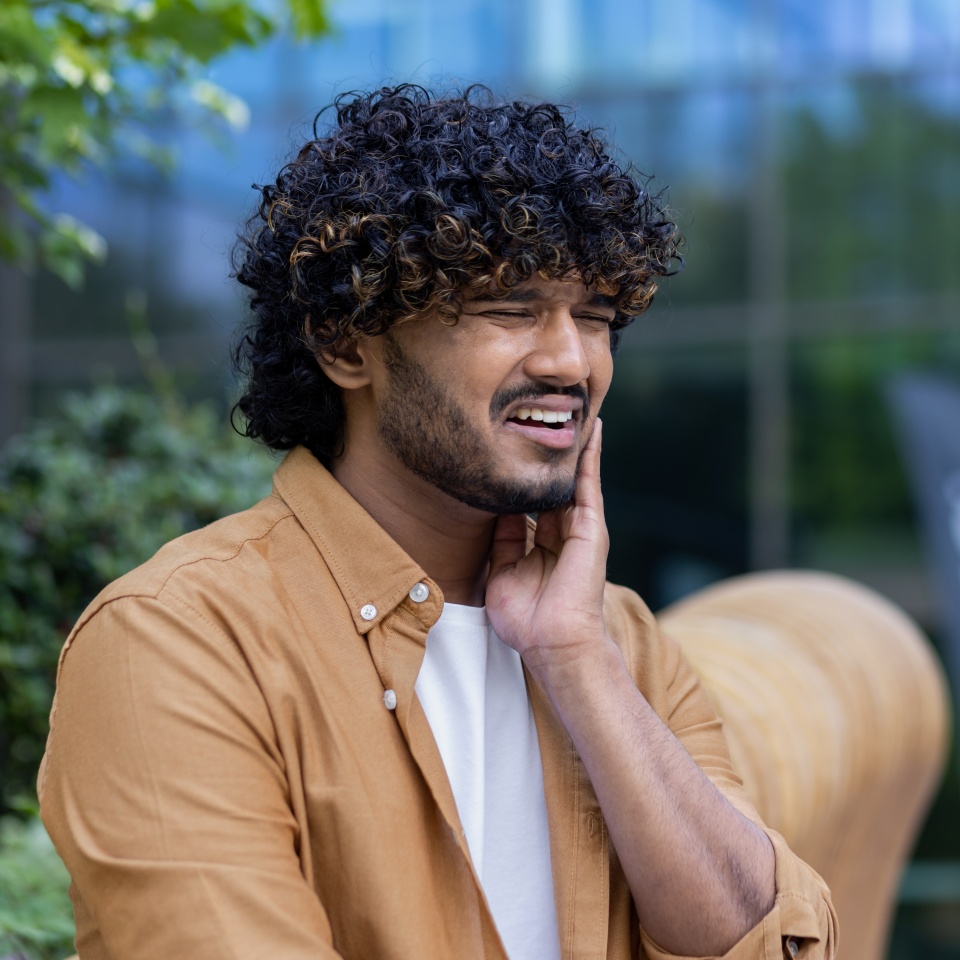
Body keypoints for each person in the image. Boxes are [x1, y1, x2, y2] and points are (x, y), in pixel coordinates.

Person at [39, 85, 837, 960]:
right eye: (510, 310)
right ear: (347, 346)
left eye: (597, 319)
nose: (571, 360)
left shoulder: (622, 645)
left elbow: (776, 945)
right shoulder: (177, 640)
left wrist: (577, 663)